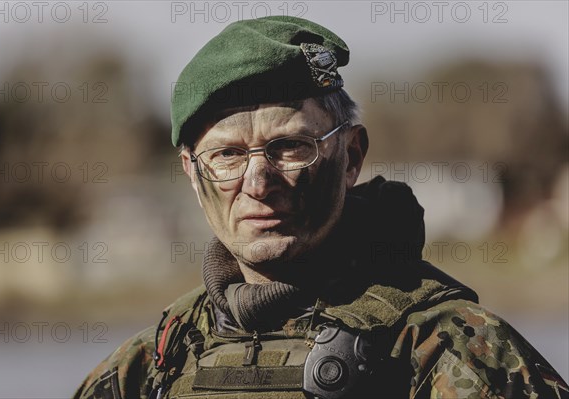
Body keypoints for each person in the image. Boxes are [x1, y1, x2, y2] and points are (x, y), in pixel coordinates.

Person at [74, 16, 568, 399]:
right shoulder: (157, 361)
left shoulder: (446, 349)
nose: (258, 183)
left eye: (289, 147)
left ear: (350, 156)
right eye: (226, 154)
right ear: (191, 170)